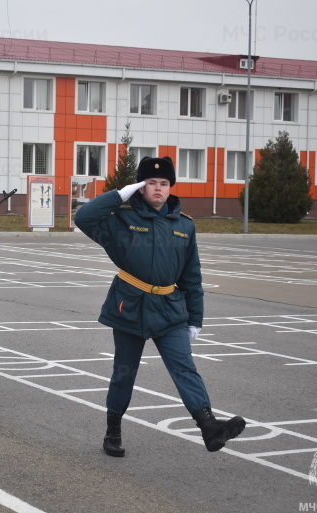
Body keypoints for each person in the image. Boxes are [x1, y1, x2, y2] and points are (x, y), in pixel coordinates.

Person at [74, 156, 246, 457]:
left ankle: (209, 427)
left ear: (170, 188)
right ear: (141, 187)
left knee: (185, 368)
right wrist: (119, 195)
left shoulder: (183, 226)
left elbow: (192, 276)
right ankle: (113, 430)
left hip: (170, 309)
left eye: (163, 183)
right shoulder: (121, 220)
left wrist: (196, 318)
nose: (157, 188)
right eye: (151, 183)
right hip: (130, 306)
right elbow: (84, 217)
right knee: (124, 374)